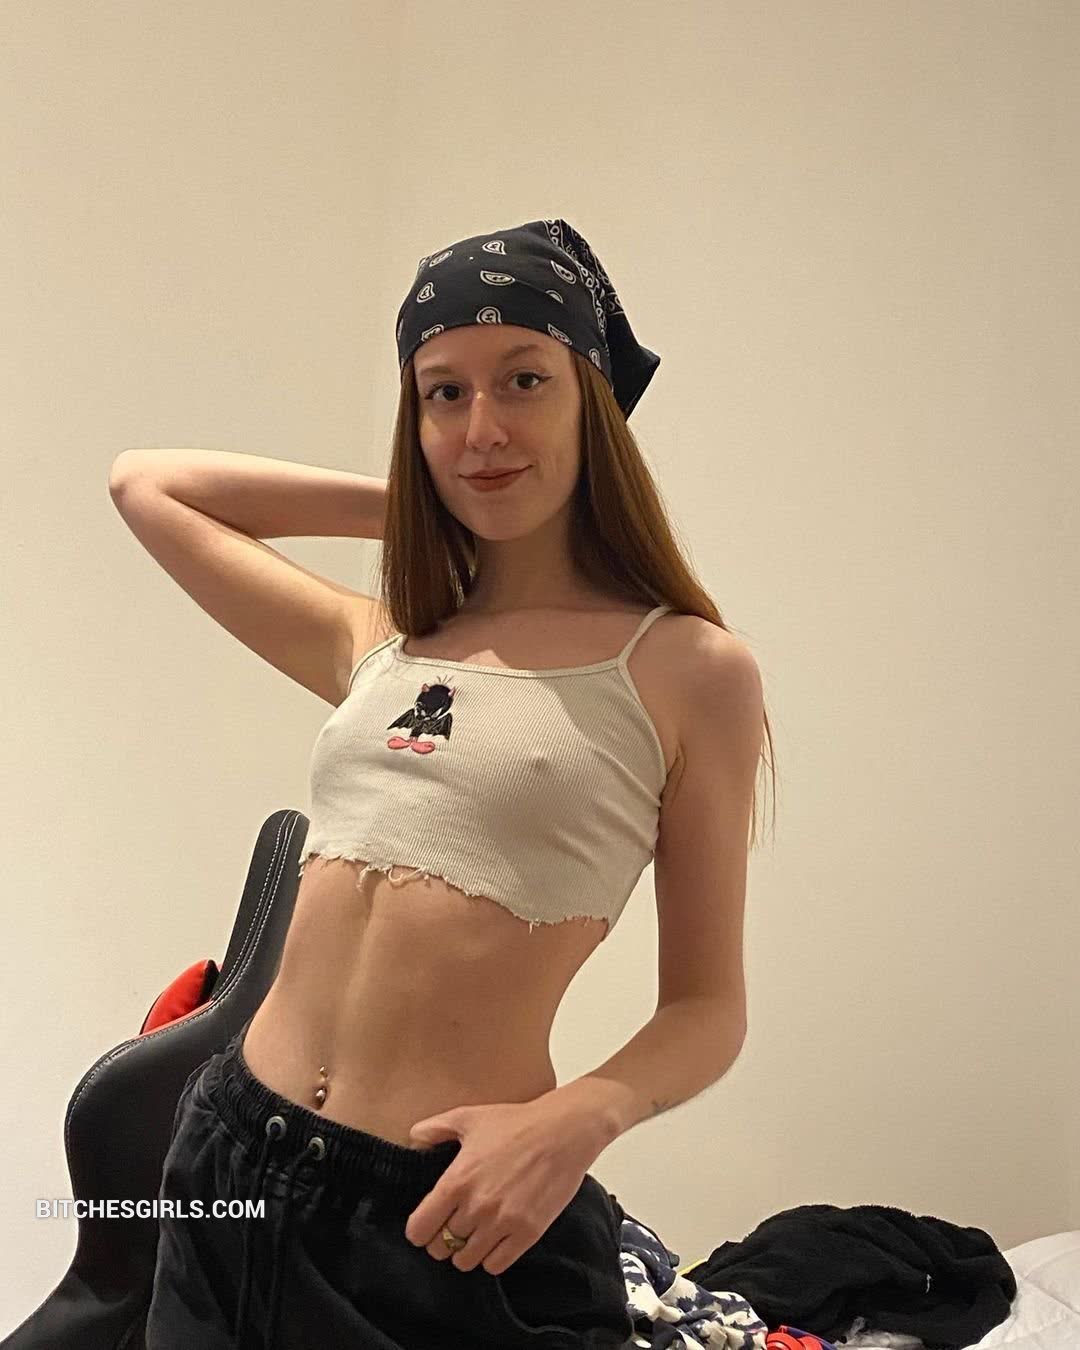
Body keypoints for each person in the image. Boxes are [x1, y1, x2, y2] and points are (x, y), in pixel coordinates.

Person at [136, 217, 774, 1349]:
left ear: (592, 402)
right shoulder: (385, 640)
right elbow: (149, 485)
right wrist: (424, 500)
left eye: (524, 380)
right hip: (230, 1154)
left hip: (441, 1216)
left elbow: (706, 1010)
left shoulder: (685, 669)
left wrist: (577, 1120)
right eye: (443, 393)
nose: (483, 427)